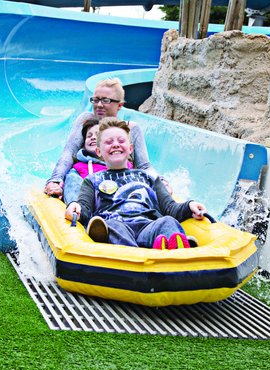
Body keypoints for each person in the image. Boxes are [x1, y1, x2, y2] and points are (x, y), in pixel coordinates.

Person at [65, 118, 207, 250]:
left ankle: (175, 250)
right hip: (117, 227)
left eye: (121, 141)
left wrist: (189, 206)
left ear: (131, 148)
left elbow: (170, 208)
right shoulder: (92, 180)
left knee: (168, 221)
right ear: (99, 151)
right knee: (112, 226)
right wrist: (75, 206)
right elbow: (85, 208)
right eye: (109, 142)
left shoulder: (148, 177)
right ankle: (139, 258)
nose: (115, 144)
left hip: (148, 226)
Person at [45, 77, 159, 199]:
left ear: (119, 105)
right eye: (96, 100)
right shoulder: (86, 121)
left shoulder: (131, 128)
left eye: (105, 100)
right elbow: (68, 153)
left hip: (121, 181)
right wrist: (56, 179)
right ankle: (77, 208)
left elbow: (144, 166)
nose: (99, 105)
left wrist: (160, 183)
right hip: (86, 180)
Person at [63, 118, 133, 204]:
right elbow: (72, 186)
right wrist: (75, 205)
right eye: (89, 136)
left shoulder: (124, 165)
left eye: (97, 135)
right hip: (91, 206)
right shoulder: (79, 168)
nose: (92, 138)